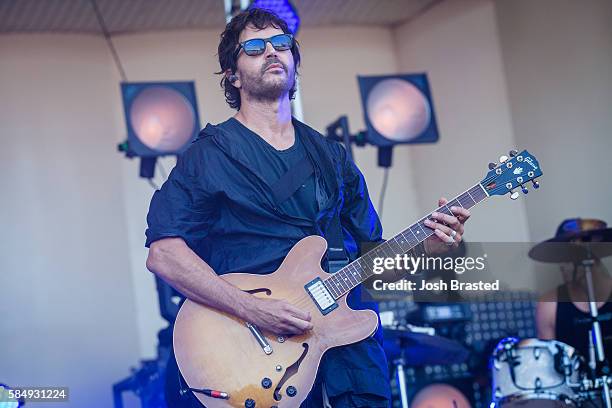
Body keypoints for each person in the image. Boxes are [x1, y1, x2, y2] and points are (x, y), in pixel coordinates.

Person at [144, 8, 470, 407]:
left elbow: (373, 261)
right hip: (255, 356)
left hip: (347, 350)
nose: (272, 52)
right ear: (232, 73)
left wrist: (428, 249)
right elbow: (164, 255)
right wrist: (253, 308)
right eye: (255, 46)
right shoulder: (209, 156)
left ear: (295, 61)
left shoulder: (332, 157)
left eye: (282, 44)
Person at [535, 218, 612, 362]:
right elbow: (549, 368)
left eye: (570, 256)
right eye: (560, 257)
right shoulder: (548, 306)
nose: (563, 266)